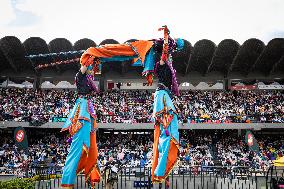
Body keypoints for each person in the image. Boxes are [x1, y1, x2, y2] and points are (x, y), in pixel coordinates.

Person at [61, 58, 100, 189]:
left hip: (88, 110)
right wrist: (89, 56)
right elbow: (83, 67)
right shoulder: (80, 76)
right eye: (90, 69)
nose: (92, 72)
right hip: (82, 110)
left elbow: (92, 70)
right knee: (80, 147)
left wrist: (94, 60)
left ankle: (89, 174)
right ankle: (68, 181)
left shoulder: (88, 79)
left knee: (90, 146)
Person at [151, 26, 180, 183]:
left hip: (165, 96)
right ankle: (161, 169)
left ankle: (162, 170)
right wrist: (166, 37)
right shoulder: (161, 63)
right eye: (169, 54)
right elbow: (164, 53)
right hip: (162, 96)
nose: (170, 57)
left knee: (168, 132)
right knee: (167, 131)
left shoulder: (168, 67)